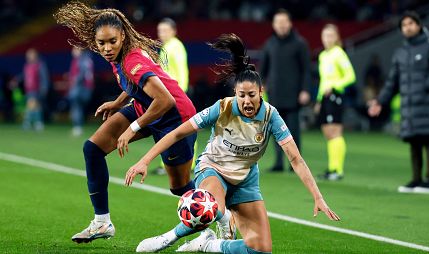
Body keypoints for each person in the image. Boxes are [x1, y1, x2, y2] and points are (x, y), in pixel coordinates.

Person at [124, 33, 340, 253]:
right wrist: (144, 160)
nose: (247, 100)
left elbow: (295, 159)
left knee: (260, 249)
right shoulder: (223, 107)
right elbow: (177, 133)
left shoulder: (271, 116)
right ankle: (169, 237)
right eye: (242, 95)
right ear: (235, 93)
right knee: (205, 207)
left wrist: (318, 197)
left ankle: (208, 245)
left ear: (261, 93)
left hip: (245, 179)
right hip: (213, 169)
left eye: (252, 95)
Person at [54, 1, 202, 243]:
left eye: (112, 41)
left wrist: (133, 128)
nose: (107, 47)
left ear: (122, 35)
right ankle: (102, 222)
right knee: (92, 149)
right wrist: (117, 101)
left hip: (176, 117)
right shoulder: (121, 56)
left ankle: (219, 218)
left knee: (180, 187)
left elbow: (165, 101)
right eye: (101, 43)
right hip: (146, 107)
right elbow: (135, 84)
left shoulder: (133, 61)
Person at [368, 11, 429, 194]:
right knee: (413, 141)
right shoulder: (401, 52)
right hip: (410, 105)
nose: (408, 27)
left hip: (428, 102)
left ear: (419, 25)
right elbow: (392, 82)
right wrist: (380, 101)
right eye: (404, 25)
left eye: (411, 23)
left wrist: (427, 85)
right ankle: (416, 179)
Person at [260, 8, 312, 172]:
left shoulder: (300, 43)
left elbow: (306, 70)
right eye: (278, 23)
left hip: (294, 95)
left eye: (284, 22)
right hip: (275, 95)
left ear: (290, 24)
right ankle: (278, 162)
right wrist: (260, 87)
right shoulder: (270, 44)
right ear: (274, 25)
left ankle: (295, 163)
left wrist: (305, 90)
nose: (281, 26)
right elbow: (263, 70)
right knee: (276, 131)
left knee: (294, 131)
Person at [315, 24, 356, 181]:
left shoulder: (339, 53)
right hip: (325, 98)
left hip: (335, 96)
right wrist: (319, 100)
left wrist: (335, 85)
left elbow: (350, 76)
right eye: (325, 35)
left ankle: (337, 170)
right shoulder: (323, 56)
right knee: (327, 132)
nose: (328, 39)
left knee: (335, 132)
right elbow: (323, 80)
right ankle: (332, 168)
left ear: (337, 38)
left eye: (331, 35)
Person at [152, 17, 190, 174]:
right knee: (173, 130)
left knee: (178, 131)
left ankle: (183, 163)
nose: (162, 34)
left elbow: (182, 71)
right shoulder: (168, 47)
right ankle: (169, 163)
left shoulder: (175, 47)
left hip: (176, 96)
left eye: (165, 30)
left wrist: (180, 94)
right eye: (160, 30)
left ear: (174, 31)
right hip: (171, 95)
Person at [67, 46, 95, 136]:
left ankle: (77, 127)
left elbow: (81, 75)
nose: (73, 51)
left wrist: (74, 82)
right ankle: (78, 126)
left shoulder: (80, 60)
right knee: (78, 107)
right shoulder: (88, 59)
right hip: (87, 88)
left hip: (80, 88)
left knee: (76, 106)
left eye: (74, 49)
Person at [21, 48, 50, 131]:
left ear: (35, 55)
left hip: (37, 88)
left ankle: (28, 123)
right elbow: (24, 76)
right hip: (28, 89)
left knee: (31, 104)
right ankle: (38, 123)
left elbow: (44, 77)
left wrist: (44, 87)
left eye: (31, 54)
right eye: (28, 54)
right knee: (36, 106)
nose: (29, 56)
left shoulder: (40, 65)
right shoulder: (27, 65)